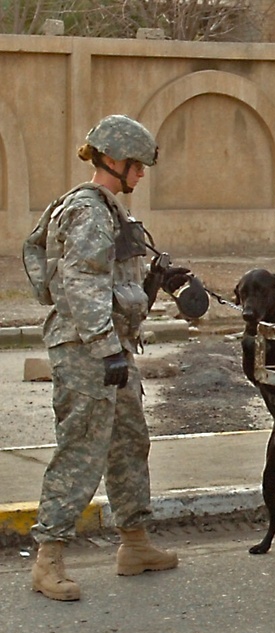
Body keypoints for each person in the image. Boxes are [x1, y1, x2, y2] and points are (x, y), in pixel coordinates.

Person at [29, 115, 191, 600]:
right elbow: (81, 284)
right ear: (114, 161)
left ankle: (135, 542)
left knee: (128, 441)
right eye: (136, 166)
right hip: (86, 351)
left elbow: (116, 282)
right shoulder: (88, 212)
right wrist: (105, 348)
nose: (140, 175)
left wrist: (159, 280)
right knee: (81, 448)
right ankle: (48, 558)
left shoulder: (112, 212)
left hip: (110, 349)